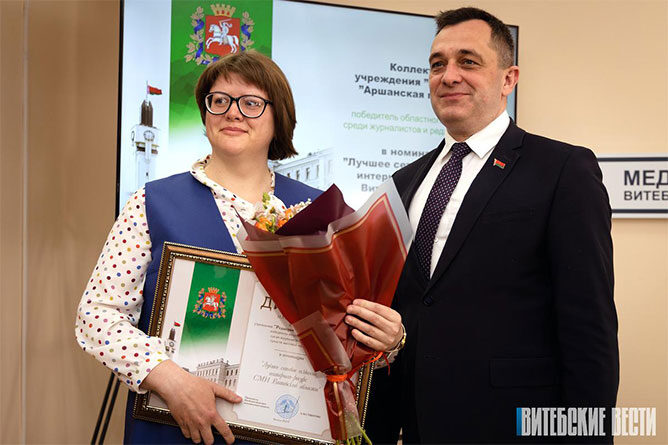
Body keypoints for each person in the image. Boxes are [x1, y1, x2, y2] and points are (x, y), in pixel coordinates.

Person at [76, 51, 403, 445]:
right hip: (178, 429)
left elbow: (350, 328)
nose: (232, 113)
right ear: (205, 112)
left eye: (251, 103)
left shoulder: (323, 211)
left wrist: (388, 340)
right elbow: (98, 316)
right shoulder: (151, 202)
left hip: (292, 427)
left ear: (278, 116)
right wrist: (170, 379)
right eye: (220, 100)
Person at [365, 7, 619, 444]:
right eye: (437, 64)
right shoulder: (404, 183)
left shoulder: (562, 170)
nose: (449, 76)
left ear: (508, 79)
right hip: (419, 427)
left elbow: (589, 327)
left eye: (468, 61)